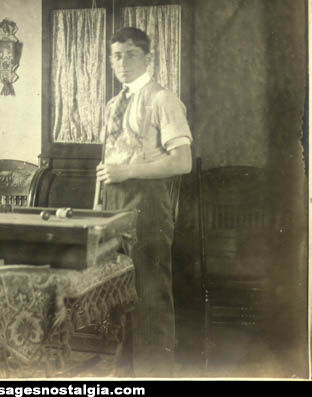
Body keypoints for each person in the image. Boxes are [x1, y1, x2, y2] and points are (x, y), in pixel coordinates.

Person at [96, 27, 193, 377]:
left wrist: (127, 171)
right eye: (116, 56)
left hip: (149, 207)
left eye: (131, 54)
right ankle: (124, 373)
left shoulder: (162, 99)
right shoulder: (112, 103)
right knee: (121, 294)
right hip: (114, 206)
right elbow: (115, 160)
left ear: (148, 58)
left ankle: (155, 376)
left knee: (150, 298)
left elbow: (182, 162)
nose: (122, 62)